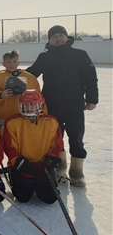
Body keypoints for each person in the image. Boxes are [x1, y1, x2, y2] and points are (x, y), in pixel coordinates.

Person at [26, 25, 98, 187]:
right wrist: (12, 75)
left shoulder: (80, 55)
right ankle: (60, 167)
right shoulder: (45, 57)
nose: (58, 39)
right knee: (54, 139)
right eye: (54, 37)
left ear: (66, 37)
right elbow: (31, 74)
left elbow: (90, 78)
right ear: (49, 40)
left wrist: (92, 98)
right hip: (51, 105)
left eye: (60, 35)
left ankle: (77, 172)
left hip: (74, 105)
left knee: (76, 138)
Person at [4, 90, 63, 204]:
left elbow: (56, 145)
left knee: (50, 197)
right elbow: (10, 147)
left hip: (42, 165)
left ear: (40, 106)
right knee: (23, 196)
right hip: (22, 166)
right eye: (26, 105)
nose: (29, 108)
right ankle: (24, 181)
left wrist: (50, 160)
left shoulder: (51, 122)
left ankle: (39, 182)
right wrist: (20, 162)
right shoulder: (12, 122)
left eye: (33, 105)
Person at [0, 50, 42, 132]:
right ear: (3, 64)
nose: (11, 64)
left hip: (23, 117)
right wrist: (0, 95)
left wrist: (42, 114)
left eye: (14, 61)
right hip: (1, 116)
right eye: (8, 62)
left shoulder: (30, 78)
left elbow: (38, 97)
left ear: (18, 63)